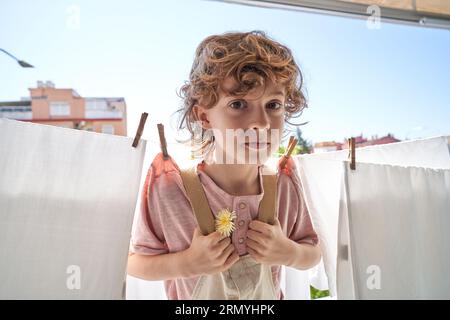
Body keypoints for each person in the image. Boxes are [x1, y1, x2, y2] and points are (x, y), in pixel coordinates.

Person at [127, 30, 321, 300]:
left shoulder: (287, 183)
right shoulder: (170, 188)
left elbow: (312, 252)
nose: (262, 123)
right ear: (203, 116)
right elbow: (135, 262)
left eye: (273, 104)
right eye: (239, 104)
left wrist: (290, 253)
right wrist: (185, 264)